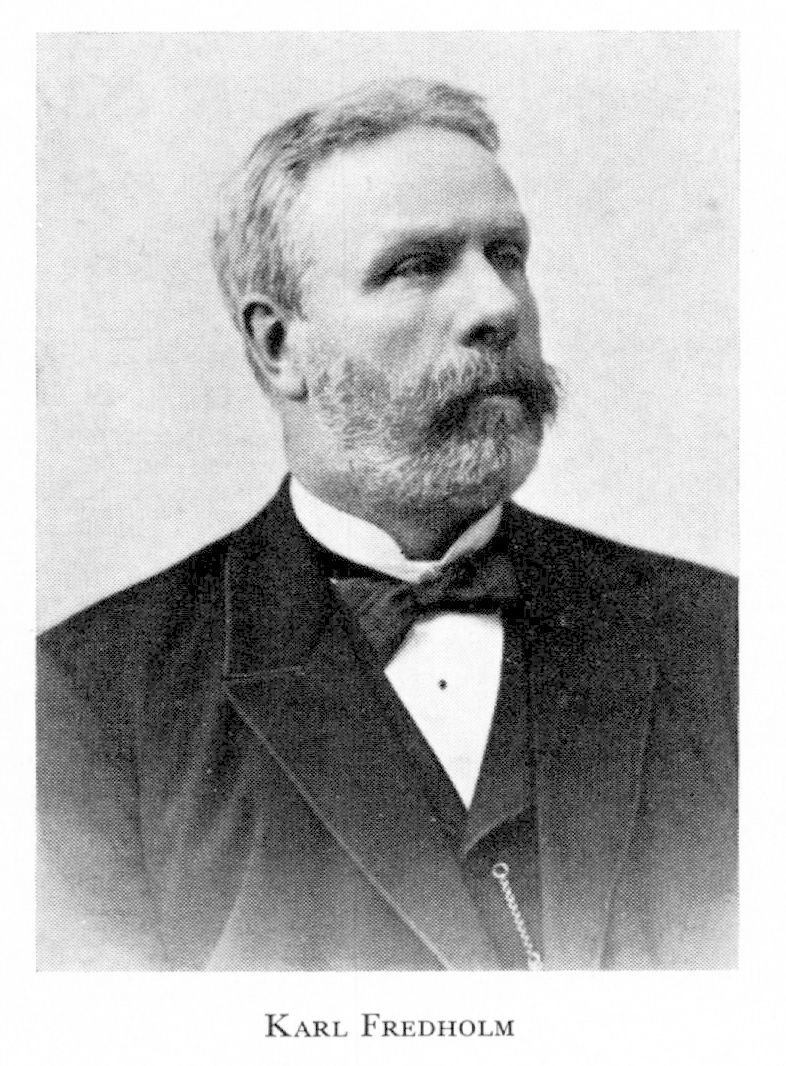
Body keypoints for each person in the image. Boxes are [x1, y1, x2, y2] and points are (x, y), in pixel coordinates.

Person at [37, 79, 737, 971]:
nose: (498, 307)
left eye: (507, 254)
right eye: (417, 266)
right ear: (278, 347)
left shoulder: (721, 637)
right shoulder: (92, 699)